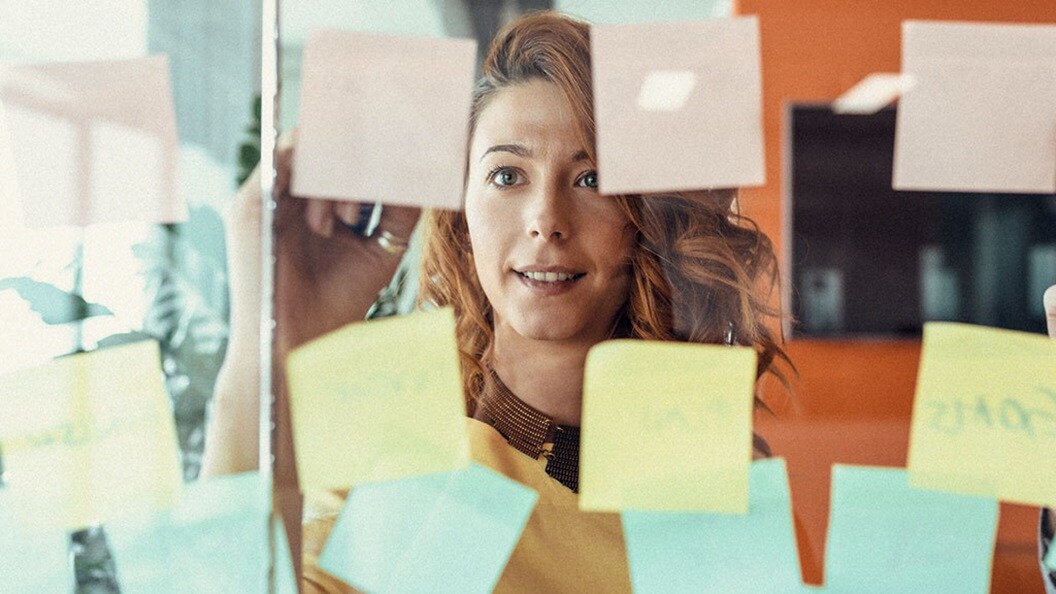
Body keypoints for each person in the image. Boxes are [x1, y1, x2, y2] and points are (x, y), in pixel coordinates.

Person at [200, 10, 1056, 593]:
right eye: (506, 175)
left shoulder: (714, 475)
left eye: (594, 177)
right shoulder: (405, 462)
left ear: (641, 219)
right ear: (462, 216)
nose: (545, 220)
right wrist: (266, 342)